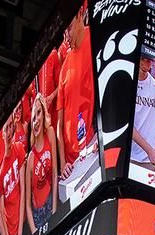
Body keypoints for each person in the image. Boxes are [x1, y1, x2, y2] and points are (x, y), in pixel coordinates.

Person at [55, 6, 95, 180]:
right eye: (64, 31)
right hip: (72, 165)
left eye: (69, 28)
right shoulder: (64, 68)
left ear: (79, 15)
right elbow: (60, 124)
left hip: (93, 147)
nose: (66, 36)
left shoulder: (95, 39)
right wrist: (63, 163)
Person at [23, 94, 58, 234]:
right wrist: (34, 233)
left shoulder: (50, 133)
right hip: (38, 214)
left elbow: (55, 173)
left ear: (44, 114)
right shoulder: (30, 159)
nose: (36, 120)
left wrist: (55, 209)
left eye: (39, 113)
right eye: (33, 117)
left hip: (51, 200)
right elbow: (27, 205)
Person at [0, 115, 26, 235]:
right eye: (5, 129)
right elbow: (1, 212)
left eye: (10, 127)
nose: (8, 133)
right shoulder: (1, 175)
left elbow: (23, 190)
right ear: (2, 134)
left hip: (22, 225)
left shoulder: (19, 149)